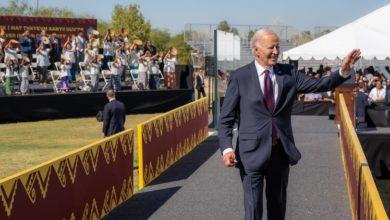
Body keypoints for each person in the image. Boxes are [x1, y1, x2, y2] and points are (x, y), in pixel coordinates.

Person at [218, 29, 360, 220]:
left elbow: (321, 85)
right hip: (250, 152)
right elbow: (226, 118)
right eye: (271, 47)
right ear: (256, 50)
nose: (276, 51)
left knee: (278, 208)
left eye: (278, 46)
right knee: (253, 211)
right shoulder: (239, 77)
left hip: (280, 152)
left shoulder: (289, 73)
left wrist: (343, 70)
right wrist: (227, 149)